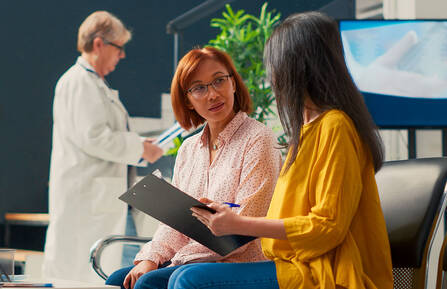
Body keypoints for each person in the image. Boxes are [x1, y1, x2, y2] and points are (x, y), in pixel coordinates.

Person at [177, 11, 393, 289]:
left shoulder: (335, 127)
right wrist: (231, 219)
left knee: (191, 280)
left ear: (296, 68)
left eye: (275, 67)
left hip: (324, 274)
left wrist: (239, 225)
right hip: (295, 266)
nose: (272, 78)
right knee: (178, 278)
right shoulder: (305, 132)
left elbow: (327, 228)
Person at [106, 47, 282, 289]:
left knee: (149, 282)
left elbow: (243, 228)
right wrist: (150, 258)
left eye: (219, 80)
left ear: (233, 83)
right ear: (187, 100)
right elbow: (175, 223)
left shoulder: (258, 139)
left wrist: (174, 262)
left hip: (240, 260)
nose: (212, 94)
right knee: (117, 280)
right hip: (195, 258)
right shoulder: (188, 149)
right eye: (199, 88)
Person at [43, 11, 163, 282]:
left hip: (98, 198)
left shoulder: (94, 84)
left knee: (95, 273)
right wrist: (140, 148)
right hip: (86, 200)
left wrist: (139, 146)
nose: (122, 56)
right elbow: (94, 136)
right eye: (118, 48)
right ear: (99, 44)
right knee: (79, 276)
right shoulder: (78, 82)